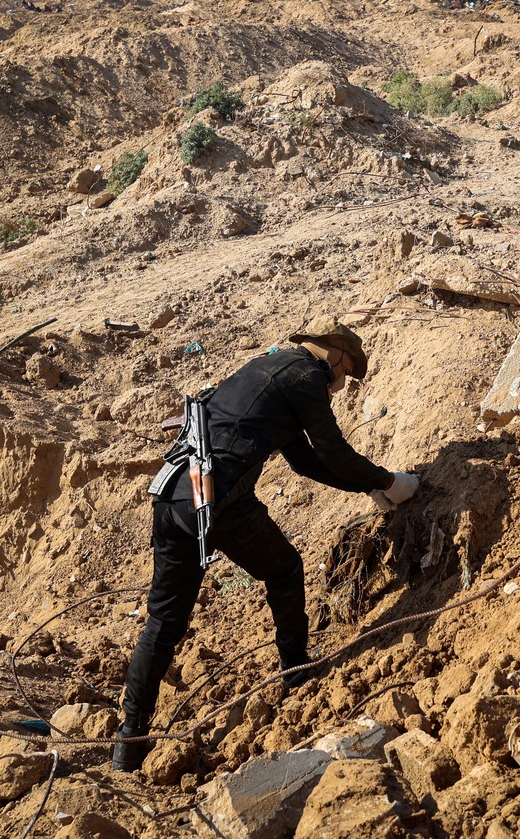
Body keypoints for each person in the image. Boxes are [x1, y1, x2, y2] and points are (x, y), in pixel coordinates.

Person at [112, 318, 420, 772]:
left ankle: (129, 743)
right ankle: (296, 671)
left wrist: (369, 488)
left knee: (163, 622)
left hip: (173, 495)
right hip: (219, 500)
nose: (340, 386)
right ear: (335, 354)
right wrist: (391, 481)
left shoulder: (268, 369)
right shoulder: (306, 377)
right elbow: (332, 452)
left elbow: (306, 463)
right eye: (346, 373)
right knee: (284, 569)